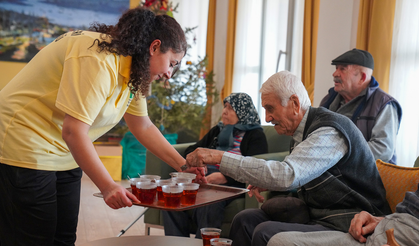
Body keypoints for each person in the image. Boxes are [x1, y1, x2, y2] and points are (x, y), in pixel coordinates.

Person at [0, 8, 190, 245]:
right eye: (172, 63)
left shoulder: (134, 70)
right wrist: (108, 186)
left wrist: (184, 166)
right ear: (154, 47)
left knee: (64, 237)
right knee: (34, 237)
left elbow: (142, 125)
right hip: (24, 140)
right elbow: (73, 131)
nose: (169, 74)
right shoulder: (99, 59)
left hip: (64, 150)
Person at [186, 71, 391, 246]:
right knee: (244, 219)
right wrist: (264, 181)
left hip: (351, 222)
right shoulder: (301, 133)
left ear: (294, 104)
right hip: (318, 215)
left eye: (270, 108)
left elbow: (287, 174)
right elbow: (306, 174)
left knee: (266, 232)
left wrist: (219, 157)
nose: (266, 118)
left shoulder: (329, 131)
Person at [162, 92, 268, 238]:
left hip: (230, 184)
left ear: (242, 111)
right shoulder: (218, 131)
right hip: (204, 179)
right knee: (171, 196)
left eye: (231, 108)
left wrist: (225, 177)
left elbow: (255, 167)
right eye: (225, 106)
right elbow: (192, 150)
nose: (224, 111)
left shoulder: (255, 135)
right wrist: (197, 164)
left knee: (210, 201)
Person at [267, 183, 419, 246]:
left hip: (405, 238)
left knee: (263, 230)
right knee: (279, 242)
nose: (267, 118)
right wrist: (380, 219)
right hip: (389, 225)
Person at [320, 48, 402, 164]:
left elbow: (383, 149)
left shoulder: (384, 104)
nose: (335, 74)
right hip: (333, 170)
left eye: (342, 69)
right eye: (336, 68)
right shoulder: (328, 99)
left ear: (362, 78)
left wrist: (338, 154)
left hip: (369, 176)